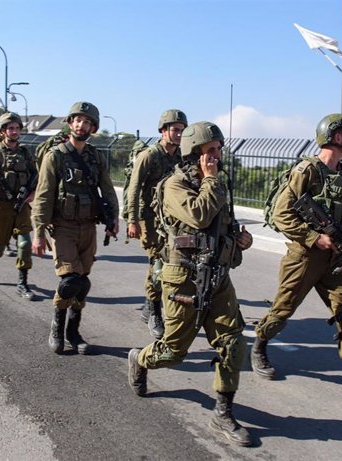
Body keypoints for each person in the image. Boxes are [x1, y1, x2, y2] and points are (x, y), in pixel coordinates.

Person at [251, 114, 342, 415]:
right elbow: (282, 214)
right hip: (304, 257)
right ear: (334, 136)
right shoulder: (307, 170)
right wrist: (314, 237)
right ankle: (259, 346)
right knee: (282, 310)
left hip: (334, 258)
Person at [127, 122, 254, 447]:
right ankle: (140, 359)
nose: (216, 156)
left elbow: (219, 228)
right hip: (184, 278)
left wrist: (240, 239)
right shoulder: (175, 184)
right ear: (194, 153)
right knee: (172, 351)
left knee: (233, 344)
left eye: (218, 149)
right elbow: (198, 216)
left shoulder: (217, 183)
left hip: (218, 277)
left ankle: (223, 413)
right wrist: (212, 181)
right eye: (210, 150)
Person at [31, 101, 119, 355]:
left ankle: (73, 330)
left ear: (93, 127)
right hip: (63, 227)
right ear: (70, 124)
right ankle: (57, 327)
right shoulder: (55, 156)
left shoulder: (95, 157)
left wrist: (113, 219)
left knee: (83, 282)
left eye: (87, 121)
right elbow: (44, 196)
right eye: (78, 120)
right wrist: (38, 233)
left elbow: (107, 189)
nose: (82, 125)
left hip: (88, 226)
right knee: (69, 280)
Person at [124, 109, 188, 339]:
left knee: (169, 261)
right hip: (149, 219)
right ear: (163, 131)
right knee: (158, 263)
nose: (179, 134)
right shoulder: (149, 156)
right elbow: (133, 190)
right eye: (175, 130)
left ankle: (148, 305)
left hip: (171, 220)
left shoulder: (180, 157)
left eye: (182, 130)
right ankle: (154, 311)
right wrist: (133, 220)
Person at [0, 112, 37, 300]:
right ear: (3, 131)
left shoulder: (26, 153)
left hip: (21, 206)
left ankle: (22, 283)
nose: (14, 131)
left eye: (17, 128)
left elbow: (36, 177)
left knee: (25, 243)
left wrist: (33, 193)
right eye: (11, 128)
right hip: (1, 207)